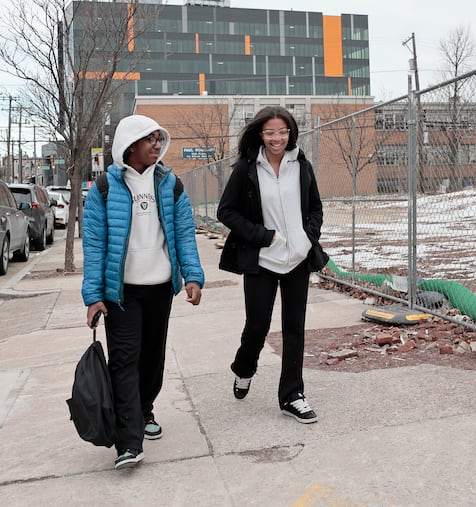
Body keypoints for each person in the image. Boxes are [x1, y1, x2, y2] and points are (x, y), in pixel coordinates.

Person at [81, 114, 205, 470]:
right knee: (123, 360)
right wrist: (93, 296)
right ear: (129, 145)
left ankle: (144, 408)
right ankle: (128, 441)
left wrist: (193, 277)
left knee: (152, 358)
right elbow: (93, 244)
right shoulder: (104, 188)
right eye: (148, 139)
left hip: (160, 287)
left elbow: (184, 235)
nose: (156, 145)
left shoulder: (172, 184)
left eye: (158, 139)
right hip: (121, 292)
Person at [217, 106, 329, 424]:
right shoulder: (247, 168)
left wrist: (307, 238)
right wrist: (263, 237)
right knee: (257, 326)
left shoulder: (301, 165)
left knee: (294, 329)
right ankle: (244, 367)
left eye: (283, 132)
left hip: (297, 259)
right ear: (260, 134)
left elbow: (316, 208)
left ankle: (292, 395)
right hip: (263, 260)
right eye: (270, 132)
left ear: (290, 133)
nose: (277, 138)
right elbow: (226, 211)